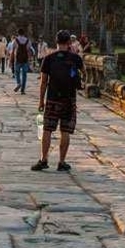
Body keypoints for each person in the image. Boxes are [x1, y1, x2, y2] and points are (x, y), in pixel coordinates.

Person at [34, 31, 83, 172]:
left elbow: (43, 82)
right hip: (69, 99)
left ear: (56, 42)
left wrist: (41, 101)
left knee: (47, 130)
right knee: (65, 131)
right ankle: (62, 162)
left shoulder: (49, 58)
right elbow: (84, 73)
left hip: (52, 98)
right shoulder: (75, 58)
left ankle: (43, 160)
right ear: (69, 43)